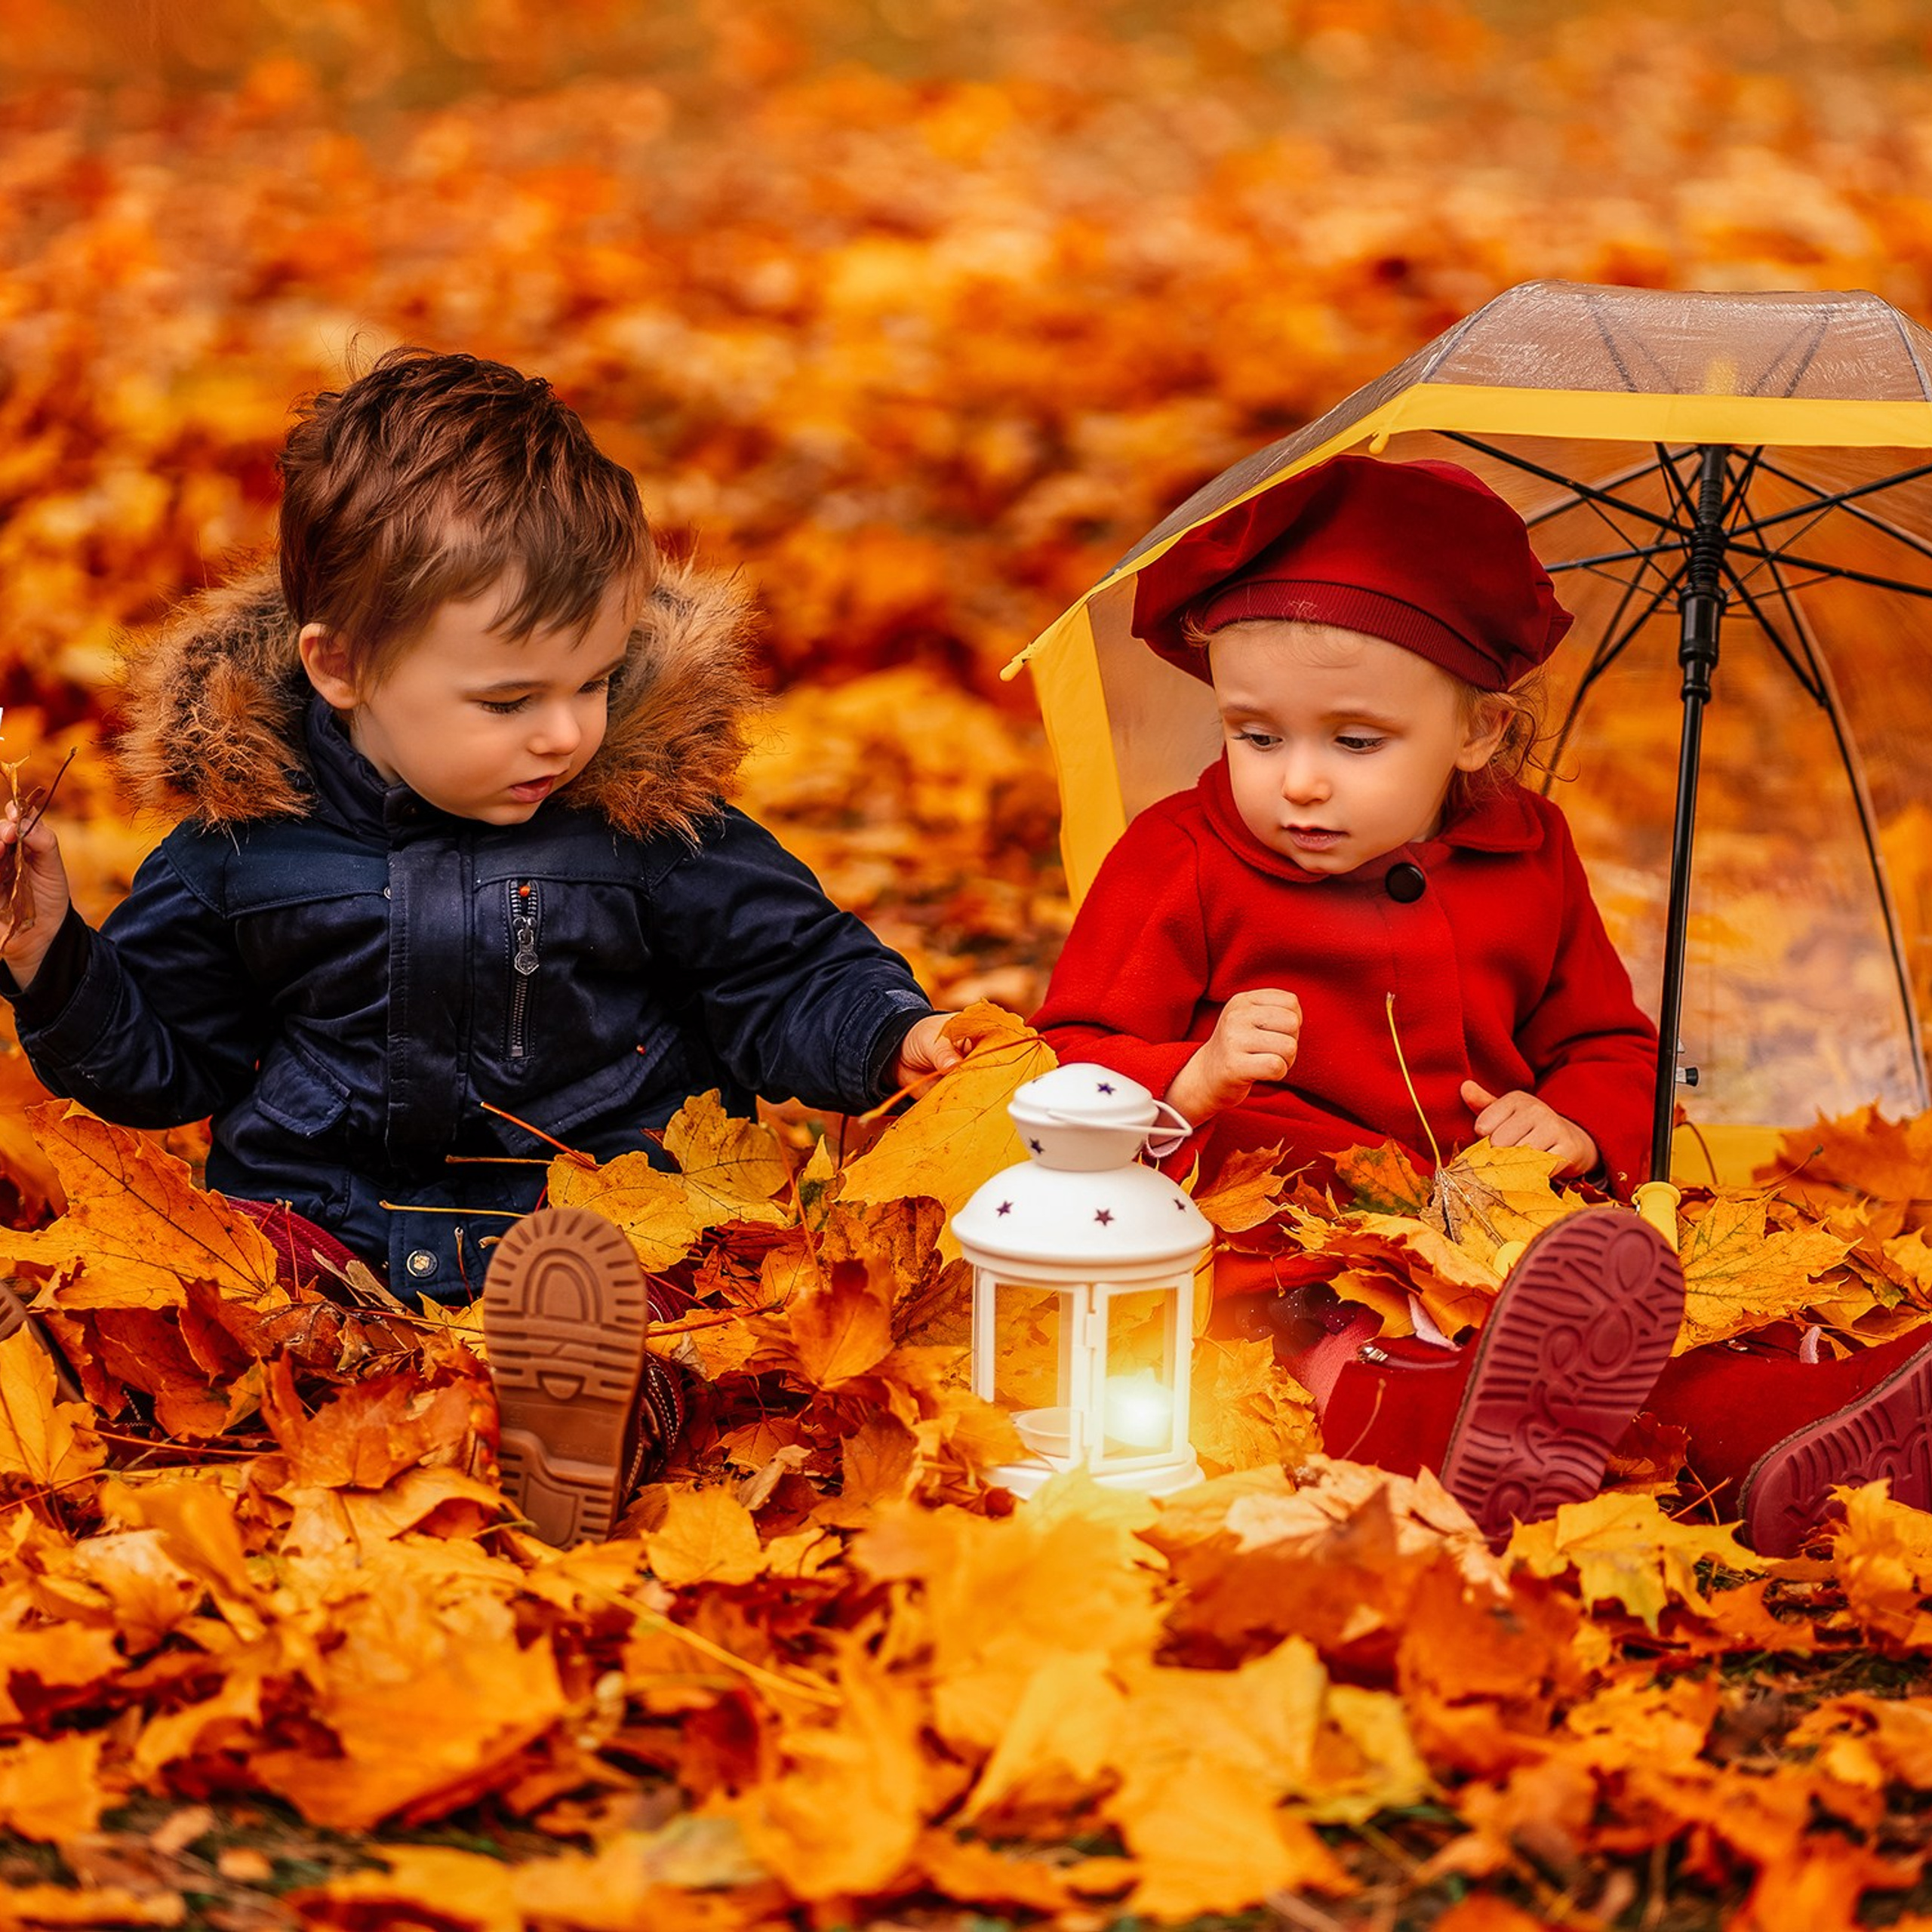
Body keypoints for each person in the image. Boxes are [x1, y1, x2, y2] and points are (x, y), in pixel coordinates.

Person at [0, 347, 958, 1544]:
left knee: (660, 1312)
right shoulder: (247, 848)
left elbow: (783, 970)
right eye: (509, 702)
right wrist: (51, 955)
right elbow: (164, 1065)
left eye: (596, 681)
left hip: (597, 1220)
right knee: (223, 1296)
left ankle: (594, 1414)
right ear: (340, 665)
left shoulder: (645, 824)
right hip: (332, 1227)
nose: (565, 732)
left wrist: (892, 1031)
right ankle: (161, 1381)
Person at [1035, 454, 1932, 1554]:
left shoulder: (1529, 854)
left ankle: (1777, 1435)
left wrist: (1572, 1121)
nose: (1298, 780)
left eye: (1355, 742)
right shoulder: (1180, 857)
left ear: (1478, 735)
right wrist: (1193, 1071)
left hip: (1508, 1232)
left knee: (1621, 1326)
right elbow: (1067, 1059)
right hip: (1291, 1233)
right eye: (1256, 734)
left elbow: (1607, 1041)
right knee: (1329, 1328)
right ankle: (1430, 1429)